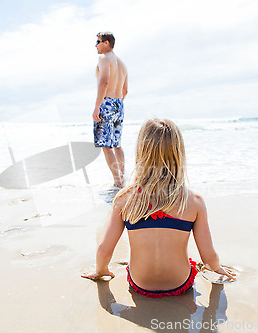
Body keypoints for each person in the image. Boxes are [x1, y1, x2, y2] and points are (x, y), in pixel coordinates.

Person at [82, 118, 235, 298]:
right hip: (180, 284)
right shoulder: (194, 202)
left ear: (141, 152)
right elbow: (209, 258)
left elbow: (104, 250)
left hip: (139, 284)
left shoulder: (124, 199)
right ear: (179, 154)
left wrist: (101, 271)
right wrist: (217, 269)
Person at [93, 32, 128, 188]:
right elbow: (125, 90)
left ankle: (118, 181)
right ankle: (123, 178)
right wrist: (116, 104)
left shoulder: (104, 58)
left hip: (106, 103)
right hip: (119, 104)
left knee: (106, 146)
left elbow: (104, 83)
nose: (96, 45)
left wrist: (97, 107)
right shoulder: (122, 63)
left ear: (106, 43)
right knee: (117, 145)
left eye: (98, 41)